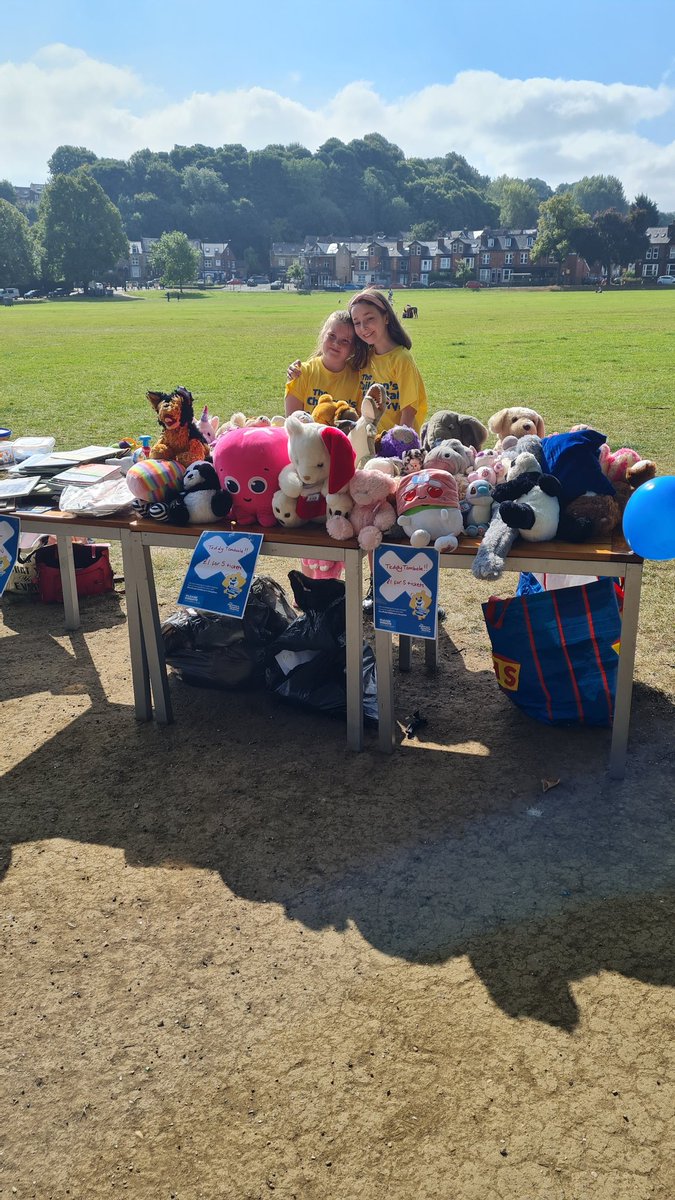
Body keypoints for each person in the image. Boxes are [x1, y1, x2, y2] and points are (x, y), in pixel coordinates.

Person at [347, 288, 428, 434]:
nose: (363, 327)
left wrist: (398, 444)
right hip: (370, 444)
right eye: (357, 322)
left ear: (386, 318)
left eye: (369, 318)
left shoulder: (401, 358)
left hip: (397, 444)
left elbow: (409, 411)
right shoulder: (364, 359)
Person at [284, 310, 362, 417]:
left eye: (345, 341)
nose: (336, 343)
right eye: (332, 335)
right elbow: (292, 423)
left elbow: (359, 426)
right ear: (322, 334)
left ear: (353, 348)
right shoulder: (301, 372)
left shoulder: (359, 379)